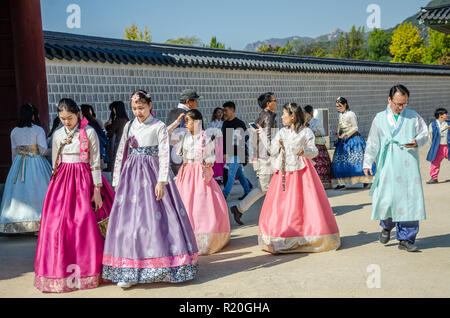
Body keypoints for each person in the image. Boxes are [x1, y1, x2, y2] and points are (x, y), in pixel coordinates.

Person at [102, 90, 198, 289]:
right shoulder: (129, 125)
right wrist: (117, 178)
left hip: (153, 174)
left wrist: (162, 181)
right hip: (131, 177)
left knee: (156, 221)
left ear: (150, 106)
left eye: (141, 108)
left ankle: (164, 266)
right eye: (135, 108)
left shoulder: (159, 126)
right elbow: (121, 152)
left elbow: (164, 154)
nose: (138, 112)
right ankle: (129, 270)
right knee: (130, 222)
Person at [34, 98, 115, 293]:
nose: (66, 122)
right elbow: (55, 162)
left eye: (69, 118)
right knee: (58, 226)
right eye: (62, 119)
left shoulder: (89, 132)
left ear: (78, 114)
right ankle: (60, 271)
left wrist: (96, 191)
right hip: (62, 182)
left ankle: (90, 269)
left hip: (85, 180)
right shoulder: (58, 134)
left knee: (85, 225)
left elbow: (95, 162)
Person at [258, 103, 340, 254]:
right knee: (283, 206)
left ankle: (307, 236)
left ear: (292, 116)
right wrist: (262, 134)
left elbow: (314, 151)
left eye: (284, 114)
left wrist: (305, 151)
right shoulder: (282, 132)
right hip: (283, 173)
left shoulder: (306, 132)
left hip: (302, 173)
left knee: (304, 204)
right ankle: (284, 236)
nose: (282, 116)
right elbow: (271, 150)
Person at [363, 84, 428, 252]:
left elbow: (424, 133)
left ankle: (406, 238)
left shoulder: (413, 116)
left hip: (407, 164)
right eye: (398, 104)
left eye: (404, 104)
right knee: (388, 198)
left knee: (408, 199)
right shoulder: (379, 118)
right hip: (387, 164)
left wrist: (416, 142)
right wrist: (368, 162)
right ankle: (386, 225)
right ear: (389, 100)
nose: (401, 107)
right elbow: (373, 142)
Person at [168, 109, 230, 255]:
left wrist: (208, 162)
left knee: (200, 205)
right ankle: (185, 236)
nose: (186, 124)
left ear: (197, 121)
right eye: (186, 121)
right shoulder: (184, 137)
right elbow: (165, 135)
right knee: (185, 203)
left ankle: (203, 236)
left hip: (199, 174)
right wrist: (175, 123)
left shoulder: (205, 137)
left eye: (188, 121)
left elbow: (211, 156)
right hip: (186, 173)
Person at [0, 104, 52, 234]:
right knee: (39, 190)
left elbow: (14, 152)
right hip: (36, 161)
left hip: (19, 163)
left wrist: (14, 169)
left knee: (19, 192)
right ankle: (39, 223)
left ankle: (18, 224)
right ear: (33, 115)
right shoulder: (38, 130)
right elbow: (43, 150)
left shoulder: (14, 131)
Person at [230, 92, 277, 225]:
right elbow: (267, 140)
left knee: (265, 188)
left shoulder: (264, 117)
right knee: (265, 189)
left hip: (264, 158)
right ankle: (271, 217)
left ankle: (239, 209)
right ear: (268, 104)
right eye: (275, 100)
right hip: (266, 159)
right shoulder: (268, 117)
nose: (276, 102)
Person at [331, 97, 374, 189]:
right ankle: (341, 182)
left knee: (357, 160)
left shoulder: (351, 114)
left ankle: (365, 180)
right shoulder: (341, 115)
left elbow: (355, 128)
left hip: (353, 140)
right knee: (341, 161)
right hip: (343, 141)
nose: (338, 108)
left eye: (340, 106)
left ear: (345, 104)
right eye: (337, 106)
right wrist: (338, 132)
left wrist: (346, 134)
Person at [167, 89, 201, 176]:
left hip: (172, 155)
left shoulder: (172, 112)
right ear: (188, 101)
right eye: (195, 100)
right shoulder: (187, 115)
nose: (197, 103)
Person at [221, 101, 251, 200]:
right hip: (230, 152)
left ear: (232, 110)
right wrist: (224, 152)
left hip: (239, 152)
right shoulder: (225, 123)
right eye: (223, 110)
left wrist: (241, 138)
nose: (224, 112)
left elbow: (247, 135)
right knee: (239, 174)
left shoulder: (239, 123)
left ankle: (223, 195)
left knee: (231, 174)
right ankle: (248, 191)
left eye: (226, 110)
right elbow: (224, 140)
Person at [304, 105, 332, 189]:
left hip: (317, 145)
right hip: (308, 146)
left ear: (310, 113)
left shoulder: (317, 121)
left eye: (305, 113)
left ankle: (323, 183)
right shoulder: (303, 123)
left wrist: (313, 133)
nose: (304, 114)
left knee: (320, 164)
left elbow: (323, 132)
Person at [426, 108, 450, 184]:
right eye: (445, 114)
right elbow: (430, 136)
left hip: (448, 145)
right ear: (440, 115)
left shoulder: (448, 123)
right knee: (435, 162)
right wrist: (433, 145)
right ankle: (434, 178)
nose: (447, 115)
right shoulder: (433, 125)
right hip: (438, 146)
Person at [104, 101, 130, 172]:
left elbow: (110, 133)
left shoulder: (118, 120)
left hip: (117, 144)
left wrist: (106, 126)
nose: (113, 111)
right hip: (124, 144)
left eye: (113, 109)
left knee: (115, 163)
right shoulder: (126, 120)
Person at [207, 107, 225, 183]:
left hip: (222, 141)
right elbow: (208, 133)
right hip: (215, 142)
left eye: (221, 112)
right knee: (217, 160)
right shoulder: (212, 123)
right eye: (218, 112)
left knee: (222, 159)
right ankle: (218, 175)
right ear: (215, 114)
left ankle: (224, 175)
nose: (220, 114)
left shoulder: (224, 122)